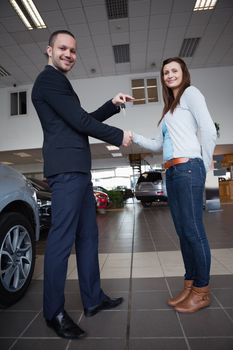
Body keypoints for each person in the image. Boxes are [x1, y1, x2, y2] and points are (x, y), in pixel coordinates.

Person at [31, 30, 134, 339]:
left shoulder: (60, 84)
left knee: (88, 237)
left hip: (79, 171)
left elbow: (79, 118)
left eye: (73, 50)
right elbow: (80, 122)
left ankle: (92, 299)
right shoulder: (48, 80)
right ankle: (54, 312)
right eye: (63, 48)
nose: (69, 54)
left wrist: (111, 105)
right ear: (49, 50)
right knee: (61, 243)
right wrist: (118, 136)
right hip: (66, 171)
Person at [132, 57, 217, 313]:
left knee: (193, 231)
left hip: (189, 168)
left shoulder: (191, 93)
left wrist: (204, 163)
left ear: (183, 73)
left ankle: (202, 291)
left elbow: (209, 130)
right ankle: (190, 284)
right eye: (166, 72)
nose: (169, 75)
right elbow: (158, 145)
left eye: (174, 71)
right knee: (182, 232)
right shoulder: (169, 110)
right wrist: (133, 136)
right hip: (172, 171)